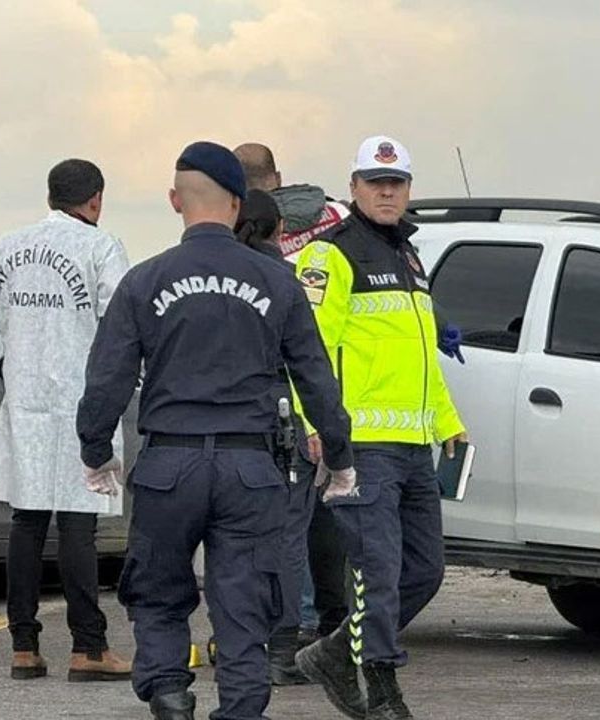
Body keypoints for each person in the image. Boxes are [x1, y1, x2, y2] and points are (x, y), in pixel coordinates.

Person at [75, 141, 357, 720]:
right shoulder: (278, 281)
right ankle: (242, 707)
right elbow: (315, 377)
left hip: (168, 465)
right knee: (244, 601)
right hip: (249, 468)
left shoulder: (144, 281)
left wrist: (96, 450)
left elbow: (106, 379)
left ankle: (168, 692)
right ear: (237, 204)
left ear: (174, 200)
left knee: (157, 590)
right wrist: (339, 454)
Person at [0, 160, 132, 682]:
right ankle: (88, 647)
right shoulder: (101, 248)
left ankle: (23, 646)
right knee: (78, 526)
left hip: (25, 402)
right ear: (96, 200)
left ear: (50, 197)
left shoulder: (8, 247)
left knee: (26, 523)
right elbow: (121, 323)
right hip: (82, 401)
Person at [294, 135, 467, 720]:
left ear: (409, 189)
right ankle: (384, 690)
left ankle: (334, 653)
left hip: (414, 444)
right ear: (354, 188)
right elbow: (307, 349)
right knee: (379, 571)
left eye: (396, 183)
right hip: (362, 444)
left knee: (425, 570)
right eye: (375, 182)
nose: (386, 192)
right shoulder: (330, 255)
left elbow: (421, 357)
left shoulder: (409, 256)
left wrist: (448, 422)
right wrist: (315, 423)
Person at [234, 143, 355, 655]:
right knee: (325, 519)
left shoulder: (243, 237)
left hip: (273, 399)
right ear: (278, 176)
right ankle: (330, 618)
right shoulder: (338, 217)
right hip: (336, 387)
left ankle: (289, 626)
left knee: (281, 522)